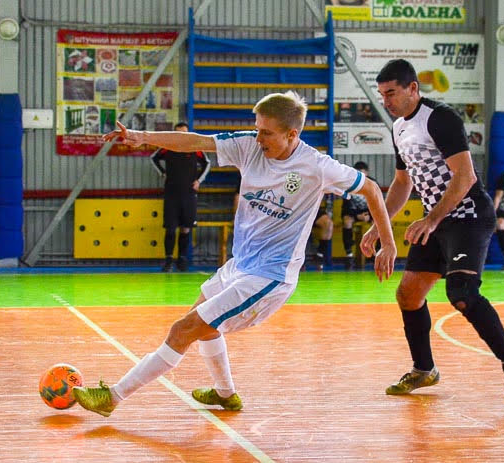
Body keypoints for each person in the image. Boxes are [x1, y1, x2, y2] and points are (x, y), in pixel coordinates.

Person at [71, 91, 397, 417]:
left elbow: (369, 189)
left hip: (270, 276)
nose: (259, 137)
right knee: (205, 322)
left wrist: (386, 240)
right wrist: (140, 137)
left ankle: (112, 398)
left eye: (266, 132)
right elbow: (193, 141)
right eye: (257, 128)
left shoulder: (316, 166)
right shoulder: (248, 145)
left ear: (291, 134)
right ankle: (225, 394)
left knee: (184, 329)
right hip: (240, 264)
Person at [361, 59, 504, 403]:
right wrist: (379, 227)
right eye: (381, 95)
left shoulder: (440, 117)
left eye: (391, 93)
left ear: (413, 88)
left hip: (467, 215)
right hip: (436, 221)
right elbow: (401, 182)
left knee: (462, 292)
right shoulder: (398, 127)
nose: (386, 101)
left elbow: (464, 177)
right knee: (408, 295)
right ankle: (424, 370)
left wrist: (431, 219)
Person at [150, 122, 210, 272]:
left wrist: (199, 180)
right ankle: (168, 259)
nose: (181, 136)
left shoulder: (195, 148)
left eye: (184, 133)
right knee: (170, 229)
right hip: (171, 193)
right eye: (178, 133)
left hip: (189, 194)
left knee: (186, 228)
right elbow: (154, 158)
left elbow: (207, 163)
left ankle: (181, 259)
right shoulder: (167, 146)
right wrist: (163, 173)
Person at [341, 161, 375, 270]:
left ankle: (376, 252)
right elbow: (345, 207)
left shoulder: (373, 184)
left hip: (369, 213)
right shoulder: (349, 185)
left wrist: (370, 215)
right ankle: (349, 254)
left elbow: (378, 204)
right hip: (353, 213)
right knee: (347, 221)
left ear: (367, 174)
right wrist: (357, 215)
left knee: (378, 223)